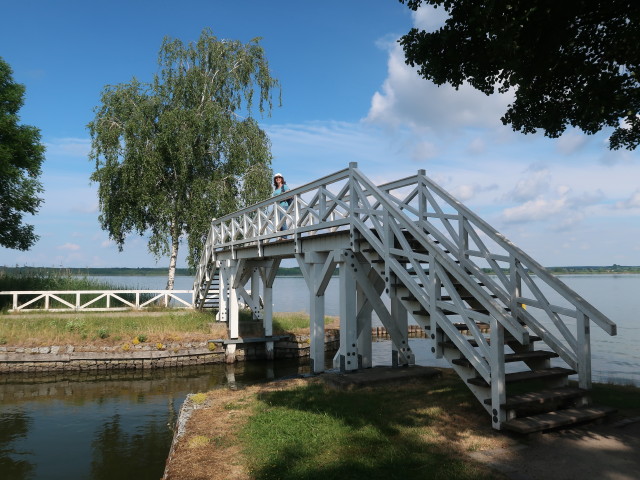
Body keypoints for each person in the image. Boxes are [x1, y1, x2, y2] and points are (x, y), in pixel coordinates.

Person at [272, 173, 290, 237]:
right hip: (277, 208)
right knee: (278, 223)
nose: (278, 179)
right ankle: (280, 237)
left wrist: (281, 197)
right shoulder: (276, 189)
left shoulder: (284, 186)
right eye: (276, 178)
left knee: (283, 222)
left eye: (279, 177)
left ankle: (285, 237)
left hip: (284, 205)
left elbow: (288, 192)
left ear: (281, 179)